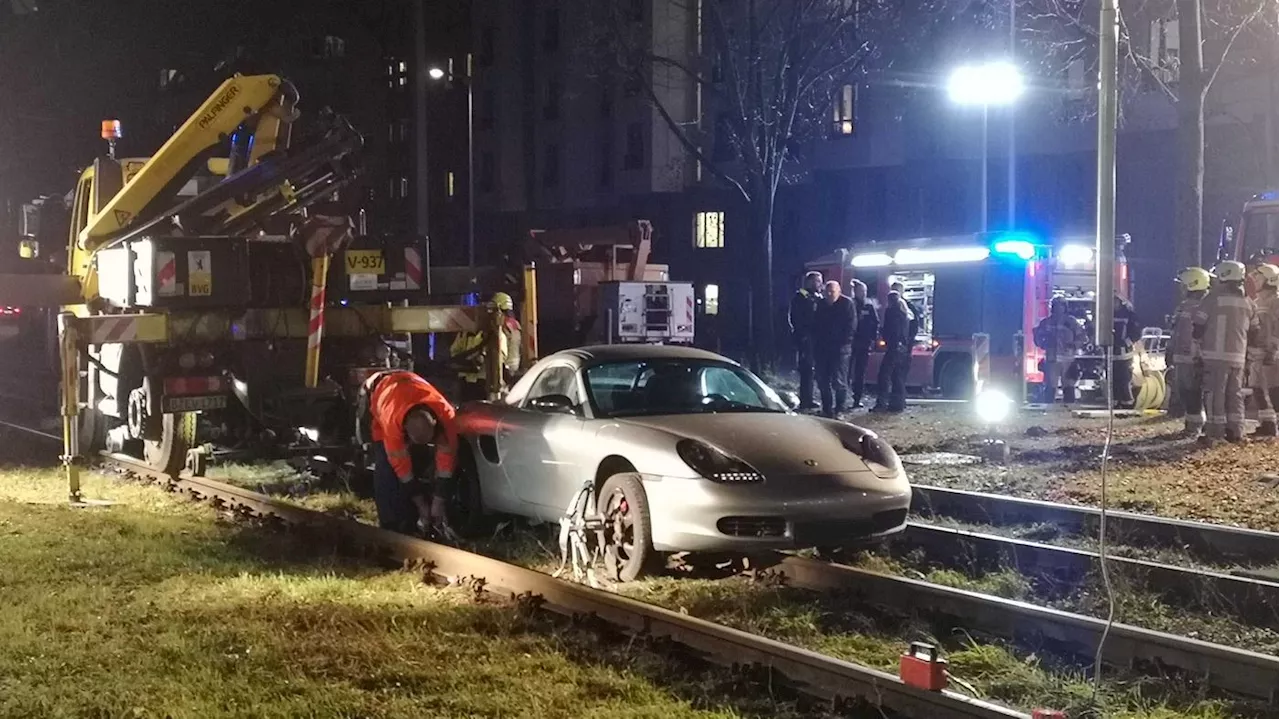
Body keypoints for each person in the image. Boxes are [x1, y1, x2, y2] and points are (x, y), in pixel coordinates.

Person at [355, 369, 460, 539]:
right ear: (406, 433)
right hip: (376, 391)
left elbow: (447, 461)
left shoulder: (446, 414)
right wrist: (421, 505)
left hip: (404, 384)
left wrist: (439, 501)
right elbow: (402, 469)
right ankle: (392, 528)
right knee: (386, 468)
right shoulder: (391, 423)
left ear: (434, 423)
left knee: (422, 461)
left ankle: (419, 522)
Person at [1194, 261, 1259, 444]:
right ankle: (1236, 431)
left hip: (1215, 357)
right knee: (1234, 394)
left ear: (1223, 276)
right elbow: (1255, 331)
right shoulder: (1248, 302)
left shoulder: (1212, 299)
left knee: (1215, 394)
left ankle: (1215, 433)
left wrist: (1197, 346)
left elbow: (1198, 325)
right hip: (1238, 357)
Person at [450, 291, 522, 401]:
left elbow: (454, 351)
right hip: (486, 380)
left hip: (480, 382)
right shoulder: (511, 327)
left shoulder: (497, 332)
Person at [1166, 267, 1210, 437]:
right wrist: (1170, 351)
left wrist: (1198, 355)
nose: (1181, 288)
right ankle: (1192, 424)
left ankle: (1195, 426)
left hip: (1193, 357)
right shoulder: (1185, 306)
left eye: (1183, 285)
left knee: (1193, 392)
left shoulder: (1202, 306)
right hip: (1182, 357)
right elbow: (1176, 332)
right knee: (1185, 391)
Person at [813, 280, 857, 417]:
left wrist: (844, 342)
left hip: (840, 349)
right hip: (822, 349)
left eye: (832, 291)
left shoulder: (847, 304)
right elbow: (815, 324)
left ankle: (839, 409)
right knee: (822, 380)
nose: (830, 294)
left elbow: (851, 326)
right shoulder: (821, 305)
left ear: (839, 291)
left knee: (839, 381)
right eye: (828, 291)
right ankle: (827, 408)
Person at [1247, 263, 1280, 438]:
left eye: (1258, 278)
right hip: (1257, 355)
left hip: (1273, 356)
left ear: (1269, 280)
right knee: (1257, 389)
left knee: (1276, 390)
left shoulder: (1277, 302)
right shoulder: (1257, 302)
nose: (1255, 281)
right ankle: (1267, 424)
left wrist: (1274, 349)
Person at [1034, 297, 1087, 404]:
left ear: (1065, 307)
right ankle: (1048, 407)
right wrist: (1043, 344)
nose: (1058, 308)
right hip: (1051, 358)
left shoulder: (1071, 322)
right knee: (1050, 384)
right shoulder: (1046, 322)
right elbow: (1037, 336)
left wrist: (1074, 345)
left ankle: (1069, 406)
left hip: (1068, 358)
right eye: (1056, 306)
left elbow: (1082, 337)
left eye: (1060, 306)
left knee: (1068, 384)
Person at [873, 286, 911, 413]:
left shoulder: (892, 312)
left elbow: (892, 331)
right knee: (897, 376)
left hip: (893, 348)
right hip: (902, 348)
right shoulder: (904, 313)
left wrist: (883, 333)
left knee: (884, 375)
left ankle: (881, 403)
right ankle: (898, 403)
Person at [788, 271, 823, 410]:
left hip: (815, 339)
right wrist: (802, 336)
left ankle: (809, 398)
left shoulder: (817, 297)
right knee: (806, 370)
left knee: (812, 370)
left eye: (820, 281)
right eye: (817, 281)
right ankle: (805, 400)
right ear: (809, 282)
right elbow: (795, 318)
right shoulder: (800, 297)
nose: (820, 284)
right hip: (805, 339)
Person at [847, 278, 879, 409]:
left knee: (860, 373)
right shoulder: (850, 304)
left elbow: (876, 322)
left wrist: (872, 339)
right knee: (846, 372)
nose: (864, 293)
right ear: (855, 292)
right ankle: (844, 398)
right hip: (850, 343)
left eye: (865, 291)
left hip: (864, 344)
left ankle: (856, 399)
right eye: (861, 291)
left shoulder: (869, 306)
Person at [1110, 294, 1142, 408]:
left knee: (1124, 380)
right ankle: (1115, 404)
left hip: (1125, 354)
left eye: (1115, 301)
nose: (1112, 303)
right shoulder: (1107, 315)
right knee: (1112, 380)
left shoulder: (1129, 315)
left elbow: (1136, 333)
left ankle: (1127, 404)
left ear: (1120, 302)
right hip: (1110, 353)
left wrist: (1124, 343)